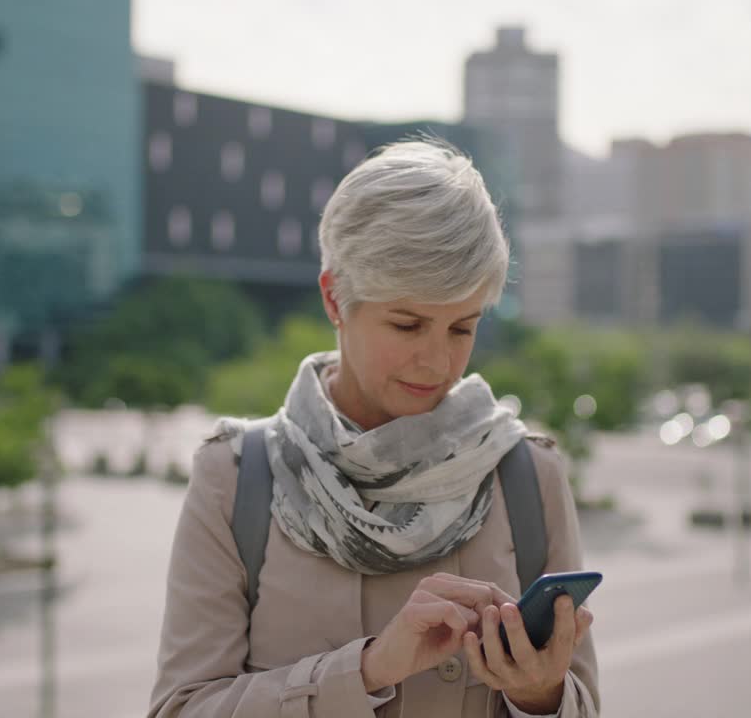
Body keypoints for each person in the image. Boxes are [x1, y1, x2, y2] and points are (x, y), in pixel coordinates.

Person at [147, 139, 600, 717]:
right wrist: (368, 669)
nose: (438, 363)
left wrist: (540, 696)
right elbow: (179, 709)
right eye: (408, 325)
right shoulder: (236, 478)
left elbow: (584, 704)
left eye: (462, 328)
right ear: (336, 298)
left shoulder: (526, 473)